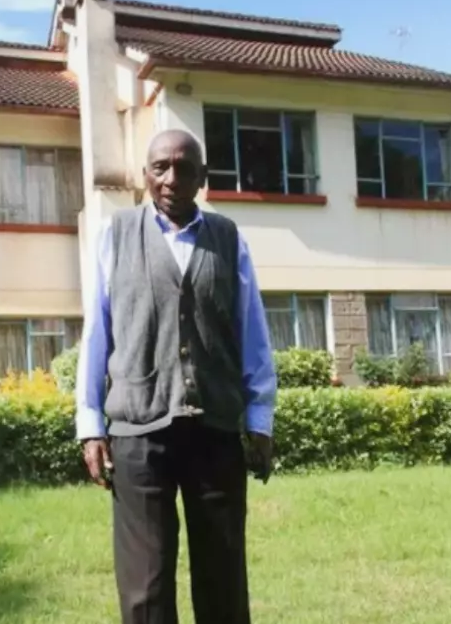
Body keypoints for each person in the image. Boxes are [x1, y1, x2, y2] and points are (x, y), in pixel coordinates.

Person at [74, 128, 278, 624]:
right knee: (145, 587)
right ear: (145, 175)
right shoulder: (115, 236)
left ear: (202, 177)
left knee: (223, 580)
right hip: (138, 435)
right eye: (160, 167)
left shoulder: (228, 239)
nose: (171, 178)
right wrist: (90, 423)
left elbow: (252, 332)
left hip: (215, 430)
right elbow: (97, 333)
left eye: (185, 168)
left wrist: (260, 418)